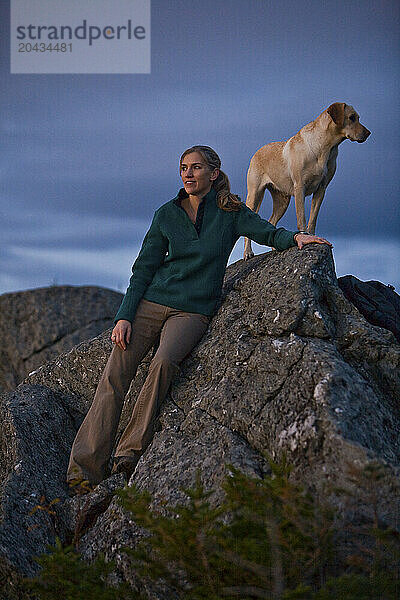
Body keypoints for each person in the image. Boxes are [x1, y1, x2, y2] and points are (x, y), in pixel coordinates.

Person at [66, 145, 331, 489]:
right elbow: (143, 269)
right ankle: (83, 470)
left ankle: (127, 455)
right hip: (151, 302)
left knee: (163, 364)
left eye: (195, 168)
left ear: (214, 174)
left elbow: (266, 232)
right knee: (114, 375)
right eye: (183, 168)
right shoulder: (166, 214)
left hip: (192, 311)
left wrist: (296, 237)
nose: (188, 174)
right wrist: (124, 316)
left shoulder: (231, 211)